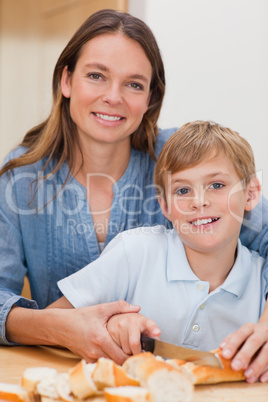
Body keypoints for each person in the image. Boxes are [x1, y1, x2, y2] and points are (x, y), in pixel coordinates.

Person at [0, 8, 267, 379]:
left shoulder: (183, 162)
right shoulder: (20, 178)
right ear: (66, 80)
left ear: (150, 98)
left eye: (134, 84)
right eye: (96, 75)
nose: (113, 97)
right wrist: (63, 327)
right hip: (58, 373)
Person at [54, 121, 267, 383]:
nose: (199, 201)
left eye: (217, 185)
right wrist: (108, 326)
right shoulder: (134, 253)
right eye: (183, 190)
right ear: (164, 206)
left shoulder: (261, 283)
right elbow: (51, 323)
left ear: (251, 194)